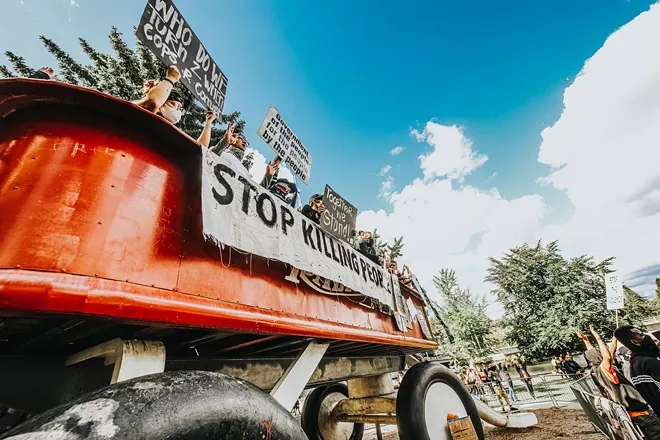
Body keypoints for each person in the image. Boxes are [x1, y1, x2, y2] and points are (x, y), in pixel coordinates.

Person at [581, 325, 660, 438]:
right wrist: (598, 337)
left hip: (632, 410)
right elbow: (608, 356)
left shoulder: (595, 371)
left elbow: (603, 354)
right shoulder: (603, 369)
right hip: (638, 410)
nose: (603, 352)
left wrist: (586, 340)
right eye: (599, 351)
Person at [614, 326, 660, 417]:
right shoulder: (649, 363)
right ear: (635, 342)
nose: (647, 337)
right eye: (642, 335)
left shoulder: (635, 364)